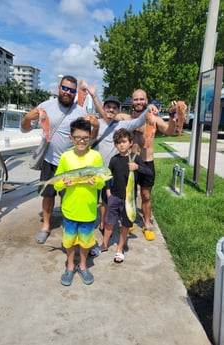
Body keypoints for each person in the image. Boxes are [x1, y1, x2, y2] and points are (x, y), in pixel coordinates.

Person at [21, 75, 99, 244]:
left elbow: (89, 138)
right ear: (59, 88)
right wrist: (27, 117)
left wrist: (96, 126)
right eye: (65, 88)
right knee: (48, 195)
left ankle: (67, 222)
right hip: (49, 160)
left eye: (71, 90)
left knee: (68, 194)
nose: (67, 92)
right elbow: (24, 129)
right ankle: (46, 226)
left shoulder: (80, 112)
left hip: (71, 163)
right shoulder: (45, 107)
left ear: (74, 93)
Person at [86, 90, 156, 236]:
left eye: (114, 108)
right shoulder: (95, 123)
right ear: (103, 108)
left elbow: (138, 121)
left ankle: (103, 223)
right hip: (94, 170)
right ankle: (85, 222)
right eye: (108, 107)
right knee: (91, 198)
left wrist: (148, 109)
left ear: (118, 111)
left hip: (109, 172)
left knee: (106, 200)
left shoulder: (121, 125)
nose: (111, 110)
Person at [115, 89, 176, 241]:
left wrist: (173, 116)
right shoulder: (125, 117)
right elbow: (107, 116)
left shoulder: (153, 118)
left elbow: (169, 131)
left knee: (146, 195)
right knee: (128, 194)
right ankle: (129, 219)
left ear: (147, 100)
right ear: (131, 101)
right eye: (136, 99)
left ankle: (147, 223)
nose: (139, 102)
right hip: (129, 161)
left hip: (147, 162)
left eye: (142, 99)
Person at [53, 118, 105, 285]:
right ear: (71, 138)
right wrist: (63, 184)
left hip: (88, 210)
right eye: (77, 137)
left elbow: (102, 181)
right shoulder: (65, 157)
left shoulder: (96, 156)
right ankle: (69, 266)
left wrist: (95, 182)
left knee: (85, 241)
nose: (81, 141)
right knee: (69, 240)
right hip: (70, 208)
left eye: (85, 138)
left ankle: (83, 266)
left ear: (90, 137)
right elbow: (57, 181)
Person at [94, 128, 153, 263]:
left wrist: (137, 168)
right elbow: (108, 177)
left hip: (129, 200)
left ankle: (120, 248)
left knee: (125, 224)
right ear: (115, 145)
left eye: (124, 142)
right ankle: (104, 245)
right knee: (109, 222)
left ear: (131, 143)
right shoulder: (114, 160)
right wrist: (108, 192)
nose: (121, 145)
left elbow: (149, 172)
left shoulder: (135, 158)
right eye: (118, 142)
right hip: (114, 197)